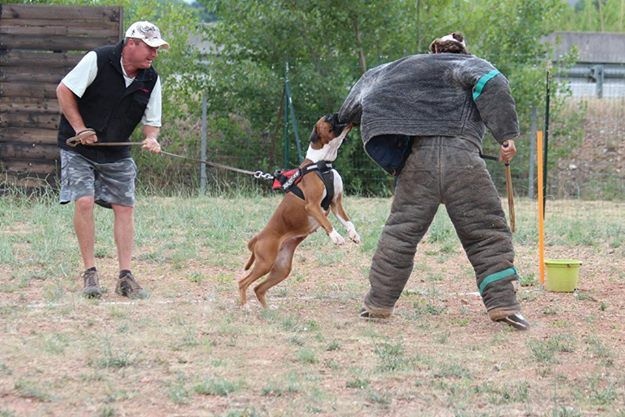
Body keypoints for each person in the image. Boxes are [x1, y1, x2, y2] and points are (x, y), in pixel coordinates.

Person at [338, 32, 530, 330]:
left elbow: (368, 82)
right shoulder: (471, 66)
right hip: (464, 162)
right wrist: (505, 136)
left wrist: (346, 117)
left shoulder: (408, 68)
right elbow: (494, 83)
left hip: (419, 164)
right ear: (463, 51)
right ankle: (503, 304)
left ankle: (378, 303)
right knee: (486, 234)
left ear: (434, 51)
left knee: (400, 234)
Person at [56, 21, 168, 299]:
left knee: (125, 207)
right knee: (83, 201)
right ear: (132, 43)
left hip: (116, 152)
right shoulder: (98, 59)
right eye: (150, 48)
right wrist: (81, 129)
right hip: (78, 147)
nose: (153, 55)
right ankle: (90, 272)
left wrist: (151, 138)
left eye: (156, 49)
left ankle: (125, 276)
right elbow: (64, 90)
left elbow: (152, 121)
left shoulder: (151, 79)